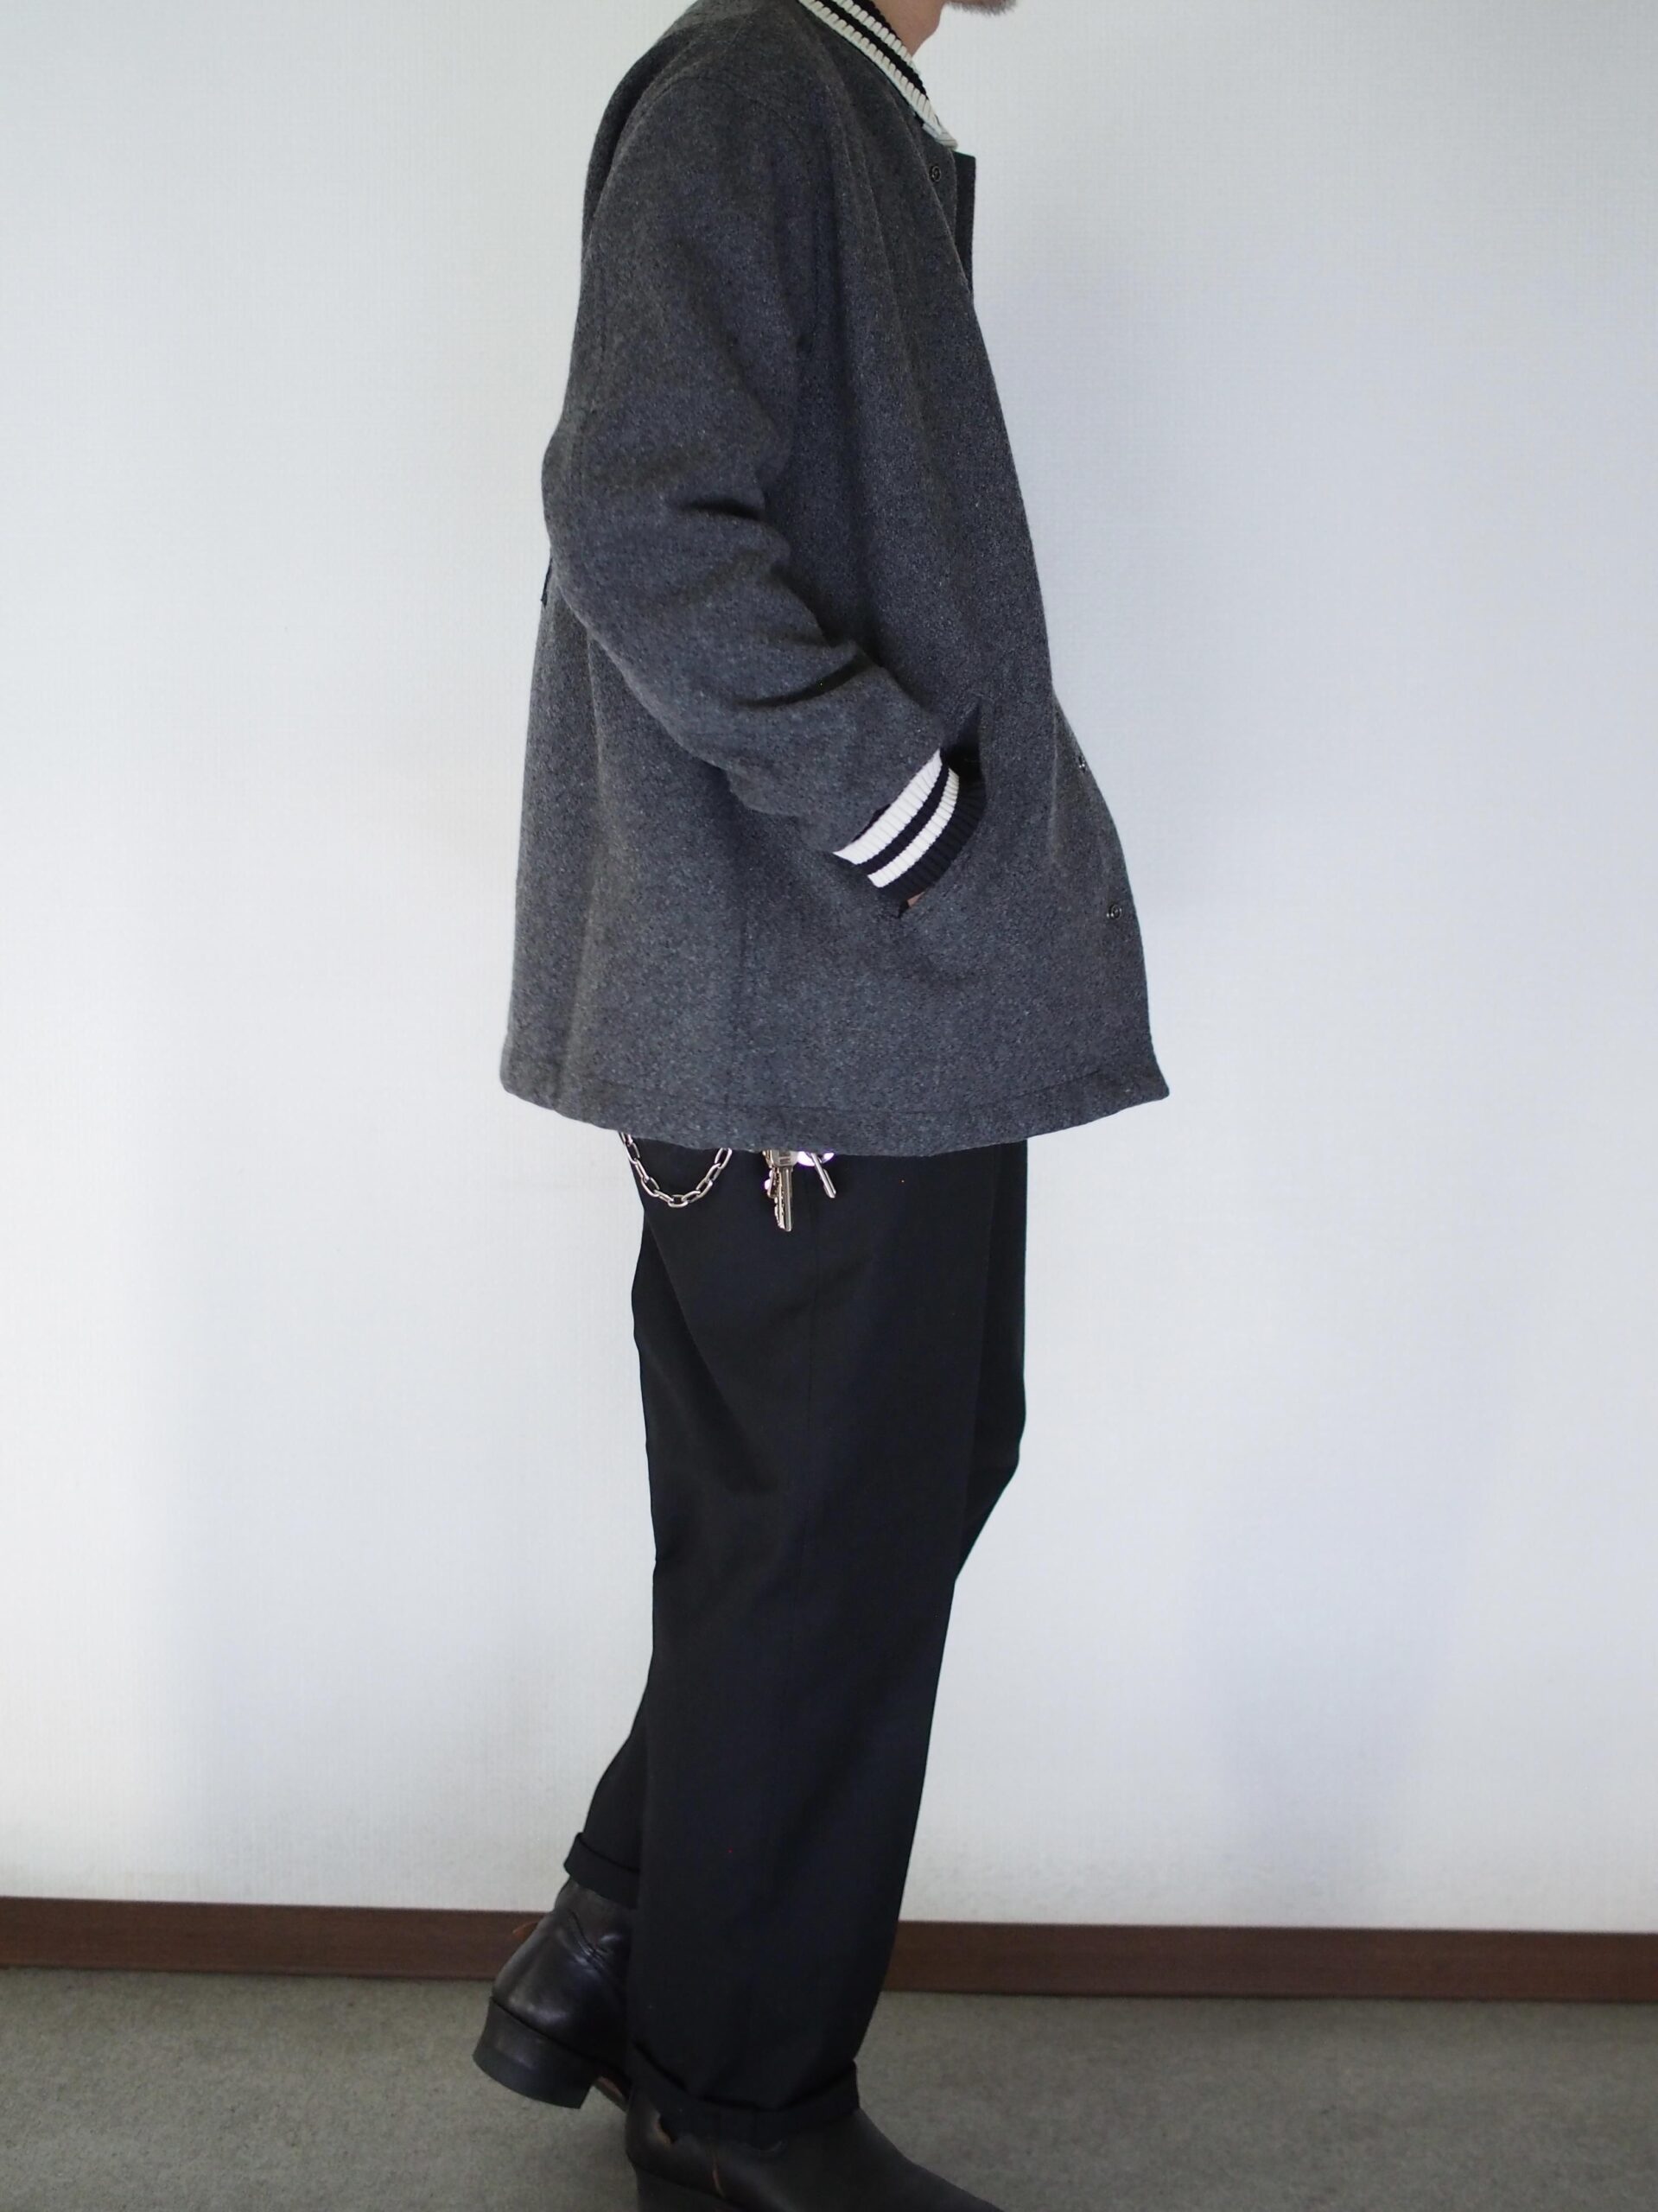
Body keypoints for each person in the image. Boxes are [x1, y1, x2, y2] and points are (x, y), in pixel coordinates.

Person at [487, 0, 1170, 2203]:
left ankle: (620, 1933)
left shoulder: (831, 100)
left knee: (879, 1483)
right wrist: (900, 804)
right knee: (826, 1525)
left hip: (855, 1007)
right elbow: (634, 503)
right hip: (812, 1001)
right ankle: (736, 2095)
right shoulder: (760, 87)